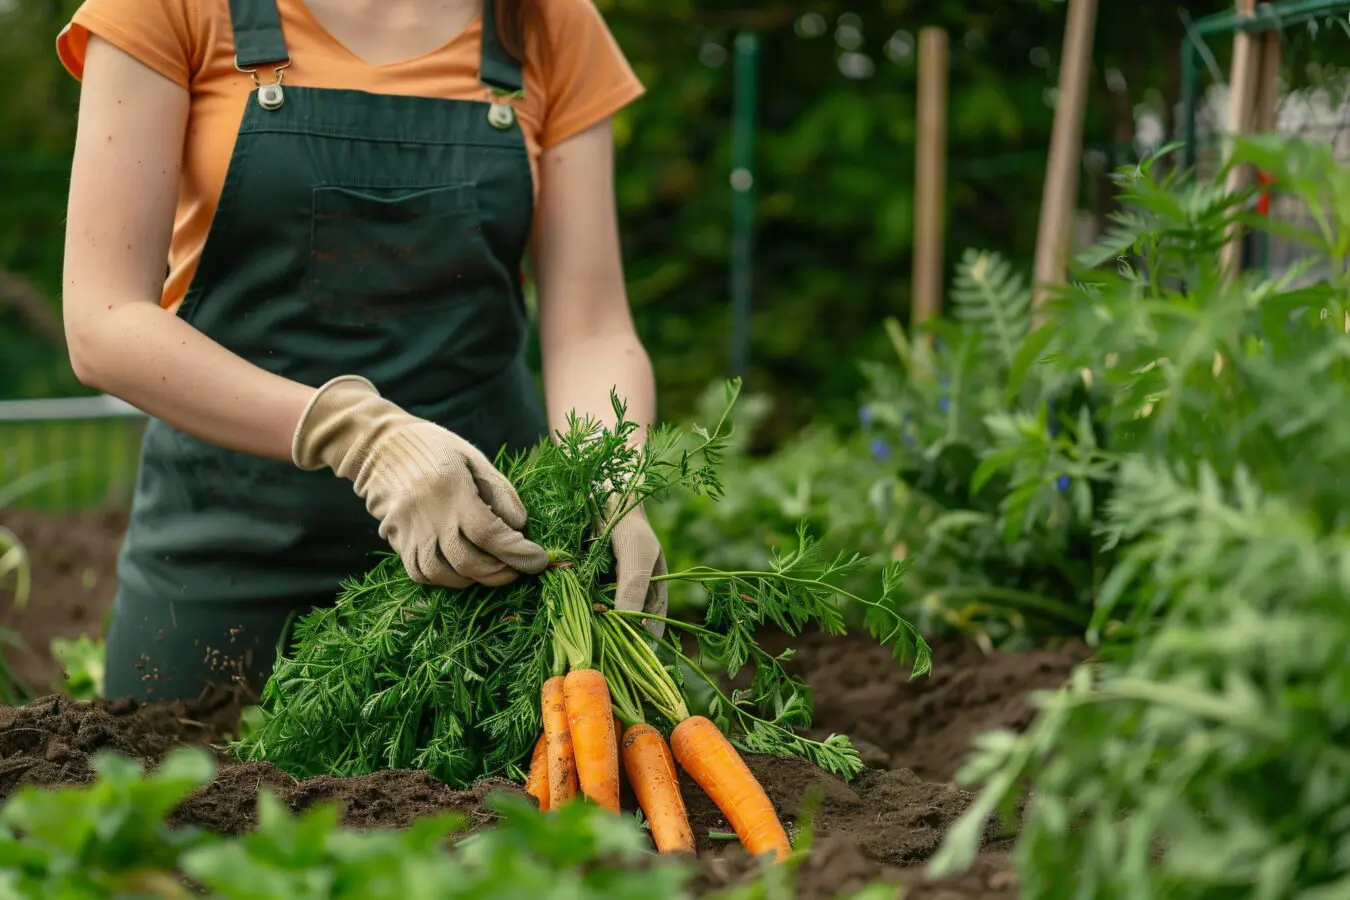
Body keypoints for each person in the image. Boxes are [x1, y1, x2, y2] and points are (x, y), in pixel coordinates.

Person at [55, 0, 667, 702]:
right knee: (168, 799)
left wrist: (610, 478)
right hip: (220, 556)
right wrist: (355, 432)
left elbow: (591, 328)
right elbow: (104, 321)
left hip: (483, 567)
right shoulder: (171, 7)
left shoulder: (545, 21)